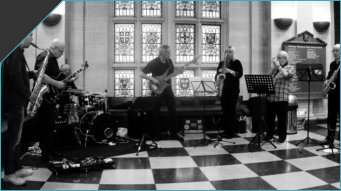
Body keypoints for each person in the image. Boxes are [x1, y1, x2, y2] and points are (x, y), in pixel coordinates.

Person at [1, 34, 35, 185]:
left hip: (17, 102)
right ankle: (9, 173)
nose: (32, 39)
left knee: (17, 139)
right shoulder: (14, 53)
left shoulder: (17, 53)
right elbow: (15, 78)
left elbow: (18, 75)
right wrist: (30, 97)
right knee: (13, 140)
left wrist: (32, 74)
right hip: (15, 103)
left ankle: (16, 168)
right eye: (30, 36)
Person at [140, 45, 184, 139]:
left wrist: (179, 71)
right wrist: (153, 79)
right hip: (157, 88)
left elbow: (172, 72)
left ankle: (173, 133)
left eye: (169, 52)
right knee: (155, 112)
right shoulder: (154, 62)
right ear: (162, 53)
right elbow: (141, 74)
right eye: (168, 52)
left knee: (173, 110)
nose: (170, 54)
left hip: (168, 88)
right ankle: (155, 135)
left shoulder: (169, 61)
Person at [34, 39, 65, 161]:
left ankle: (51, 151)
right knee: (45, 127)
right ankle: (46, 155)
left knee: (50, 127)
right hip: (44, 98)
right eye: (61, 51)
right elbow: (40, 75)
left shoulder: (52, 58)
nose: (62, 54)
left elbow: (52, 75)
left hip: (49, 97)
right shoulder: (44, 56)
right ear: (55, 48)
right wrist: (57, 83)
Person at [266, 51, 295, 144]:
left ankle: (282, 137)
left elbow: (286, 75)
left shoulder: (291, 67)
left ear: (285, 59)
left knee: (281, 120)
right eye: (277, 57)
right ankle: (269, 136)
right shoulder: (276, 69)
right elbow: (267, 77)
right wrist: (273, 67)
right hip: (271, 97)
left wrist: (278, 66)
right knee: (269, 118)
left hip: (282, 98)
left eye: (279, 57)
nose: (277, 59)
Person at [215, 46, 243, 138]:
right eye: (226, 52)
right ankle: (226, 130)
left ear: (233, 53)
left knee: (231, 111)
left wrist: (229, 71)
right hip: (223, 90)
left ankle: (231, 132)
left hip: (233, 91)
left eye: (230, 52)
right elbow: (217, 74)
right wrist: (218, 76)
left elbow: (239, 74)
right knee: (225, 111)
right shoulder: (222, 63)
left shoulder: (237, 62)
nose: (228, 54)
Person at [320, 44, 340, 145]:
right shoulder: (332, 64)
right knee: (331, 116)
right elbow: (329, 75)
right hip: (332, 93)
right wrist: (327, 81)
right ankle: (329, 137)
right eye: (333, 51)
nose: (335, 53)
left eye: (337, 51)